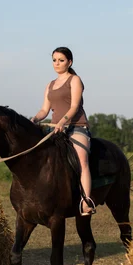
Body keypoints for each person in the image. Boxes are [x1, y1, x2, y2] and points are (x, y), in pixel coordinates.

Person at [30, 46, 95, 216]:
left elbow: (74, 106)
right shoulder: (50, 85)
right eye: (54, 60)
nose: (57, 63)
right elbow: (44, 110)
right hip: (55, 129)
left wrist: (62, 121)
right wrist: (34, 119)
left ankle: (86, 201)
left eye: (61, 60)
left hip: (76, 127)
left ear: (69, 62)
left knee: (82, 159)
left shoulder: (75, 80)